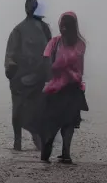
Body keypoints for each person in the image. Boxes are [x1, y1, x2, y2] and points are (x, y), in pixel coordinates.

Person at [36, 11, 88, 164]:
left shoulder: (67, 43)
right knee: (61, 122)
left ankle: (58, 150)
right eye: (61, 26)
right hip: (64, 88)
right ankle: (57, 151)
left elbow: (47, 63)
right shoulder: (67, 43)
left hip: (63, 88)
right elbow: (79, 68)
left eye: (64, 26)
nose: (62, 29)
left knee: (61, 122)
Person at [4, 0, 52, 151]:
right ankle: (17, 141)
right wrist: (11, 68)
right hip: (21, 77)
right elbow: (10, 53)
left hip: (39, 77)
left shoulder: (44, 28)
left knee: (39, 110)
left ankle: (36, 136)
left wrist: (51, 75)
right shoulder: (18, 30)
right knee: (18, 109)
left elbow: (50, 51)